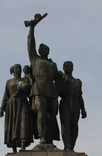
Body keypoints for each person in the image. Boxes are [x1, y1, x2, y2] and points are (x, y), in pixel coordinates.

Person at [26, 14, 62, 146]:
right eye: (42, 49)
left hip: (51, 90)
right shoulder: (35, 59)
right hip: (39, 89)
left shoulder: (53, 64)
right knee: (41, 114)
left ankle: (50, 139)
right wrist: (32, 29)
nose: (44, 50)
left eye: (46, 49)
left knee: (51, 116)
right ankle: (42, 138)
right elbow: (31, 45)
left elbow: (59, 78)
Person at [0, 63, 34, 152]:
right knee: (13, 124)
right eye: (16, 68)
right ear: (13, 70)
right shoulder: (9, 82)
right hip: (12, 105)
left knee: (23, 122)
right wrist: (2, 108)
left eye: (19, 68)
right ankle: (13, 147)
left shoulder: (24, 80)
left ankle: (23, 144)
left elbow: (29, 90)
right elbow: (5, 95)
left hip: (22, 102)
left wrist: (27, 81)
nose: (18, 69)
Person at [58, 61, 86, 151]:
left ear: (73, 68)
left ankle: (72, 145)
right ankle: (67, 145)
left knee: (74, 125)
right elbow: (58, 92)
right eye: (66, 66)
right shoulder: (61, 79)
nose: (69, 67)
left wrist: (83, 109)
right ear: (63, 68)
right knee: (66, 125)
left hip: (76, 103)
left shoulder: (77, 81)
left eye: (70, 66)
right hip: (65, 101)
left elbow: (80, 96)